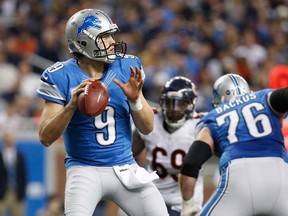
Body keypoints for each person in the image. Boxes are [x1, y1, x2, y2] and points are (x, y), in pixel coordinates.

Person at [35, 8, 168, 216]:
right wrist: (71, 106)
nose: (112, 42)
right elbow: (45, 137)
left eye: (111, 36)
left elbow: (148, 127)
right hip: (84, 169)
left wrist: (134, 100)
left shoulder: (127, 67)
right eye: (104, 37)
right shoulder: (60, 76)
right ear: (84, 42)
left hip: (125, 166)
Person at [179, 73, 288, 216]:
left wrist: (187, 205)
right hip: (281, 174)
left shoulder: (213, 117)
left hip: (240, 176)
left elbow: (190, 164)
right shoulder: (265, 97)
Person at [132, 76, 204, 216]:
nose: (173, 109)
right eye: (169, 103)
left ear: (191, 104)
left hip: (185, 202)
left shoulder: (200, 125)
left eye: (179, 104)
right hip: (153, 196)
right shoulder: (151, 119)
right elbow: (127, 154)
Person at [0, 132, 27, 216]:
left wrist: (22, 193)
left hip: (17, 193)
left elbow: (23, 175)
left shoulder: (19, 156)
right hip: (2, 193)